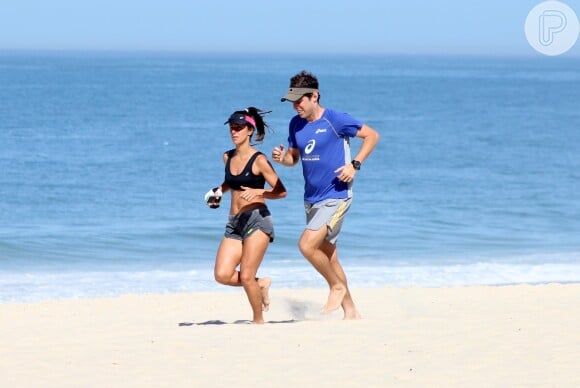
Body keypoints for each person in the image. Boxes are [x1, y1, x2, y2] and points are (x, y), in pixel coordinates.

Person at [272, 71, 380, 320]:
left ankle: (336, 287)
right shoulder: (295, 124)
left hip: (337, 195)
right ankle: (351, 311)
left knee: (306, 245)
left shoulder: (335, 120)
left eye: (300, 100)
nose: (296, 106)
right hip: (311, 198)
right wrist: (282, 159)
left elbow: (372, 136)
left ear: (315, 96)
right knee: (329, 255)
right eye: (293, 101)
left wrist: (355, 164)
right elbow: (294, 159)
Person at [205, 107, 287, 324]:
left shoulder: (259, 160)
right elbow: (231, 183)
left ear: (250, 130)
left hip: (257, 219)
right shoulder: (227, 156)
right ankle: (261, 283)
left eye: (239, 128)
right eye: (232, 128)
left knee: (246, 275)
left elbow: (281, 191)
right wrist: (218, 192)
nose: (234, 132)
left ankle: (258, 321)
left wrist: (260, 192)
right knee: (222, 275)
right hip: (234, 223)